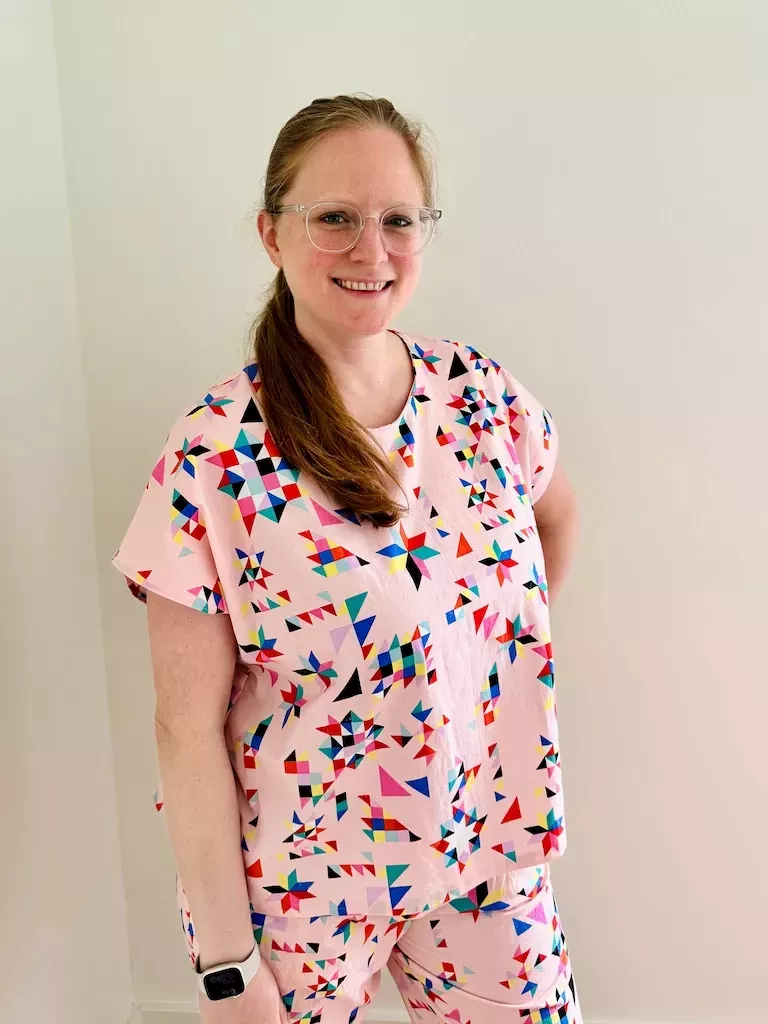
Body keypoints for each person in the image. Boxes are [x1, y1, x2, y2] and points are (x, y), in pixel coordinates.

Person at [112, 93, 582, 1024]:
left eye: (398, 219)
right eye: (333, 218)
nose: (371, 251)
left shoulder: (483, 398)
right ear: (270, 233)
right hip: (303, 890)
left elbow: (556, 522)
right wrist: (225, 966)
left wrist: (461, 671)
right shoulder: (216, 451)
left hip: (487, 850)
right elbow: (184, 732)